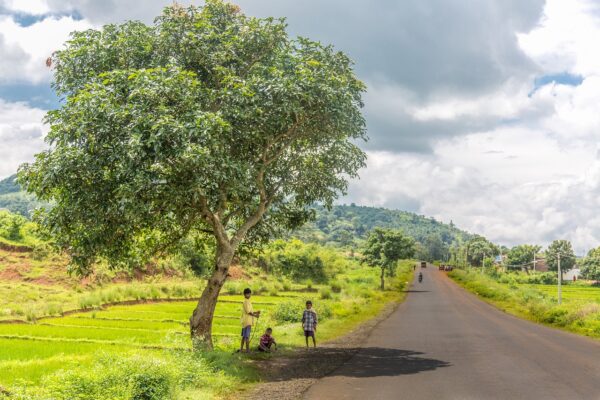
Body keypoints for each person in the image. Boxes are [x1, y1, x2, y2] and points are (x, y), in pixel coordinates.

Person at [240, 288, 260, 353]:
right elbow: (248, 312)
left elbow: (250, 311)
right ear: (245, 294)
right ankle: (248, 350)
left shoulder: (247, 301)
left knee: (244, 336)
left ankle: (241, 349)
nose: (249, 295)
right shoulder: (246, 302)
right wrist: (255, 315)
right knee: (247, 337)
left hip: (245, 321)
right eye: (248, 294)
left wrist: (256, 312)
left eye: (250, 294)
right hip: (247, 322)